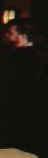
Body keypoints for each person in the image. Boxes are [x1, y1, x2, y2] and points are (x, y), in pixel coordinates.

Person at [0, 17, 37, 149]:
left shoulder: (24, 56)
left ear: (22, 35)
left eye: (11, 32)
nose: (7, 35)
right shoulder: (16, 53)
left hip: (17, 104)